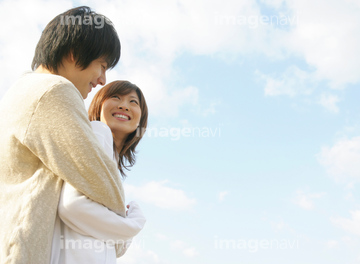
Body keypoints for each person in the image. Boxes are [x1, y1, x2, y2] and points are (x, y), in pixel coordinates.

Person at [0, 6, 125, 264]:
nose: (102, 80)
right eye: (101, 66)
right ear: (73, 53)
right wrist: (124, 226)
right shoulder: (54, 90)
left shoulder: (18, 90)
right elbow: (98, 177)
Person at [51, 81, 148, 263]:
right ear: (98, 106)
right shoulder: (98, 131)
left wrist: (123, 232)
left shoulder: (112, 158)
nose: (123, 105)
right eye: (115, 97)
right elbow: (73, 206)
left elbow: (114, 247)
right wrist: (134, 223)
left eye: (133, 102)